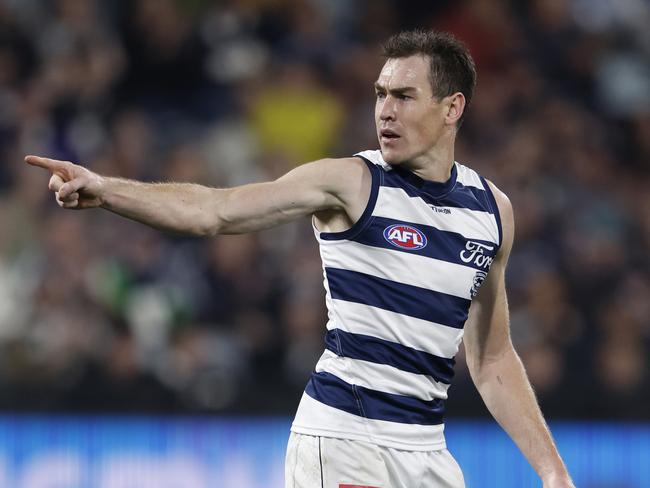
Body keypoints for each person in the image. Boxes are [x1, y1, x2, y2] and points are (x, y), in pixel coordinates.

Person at [26, 30, 574, 488]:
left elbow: (493, 357)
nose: (384, 110)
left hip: (427, 452)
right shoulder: (352, 183)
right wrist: (109, 190)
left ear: (452, 107)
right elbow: (215, 211)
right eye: (380, 94)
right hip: (344, 440)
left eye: (403, 96)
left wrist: (552, 471)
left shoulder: (492, 212)